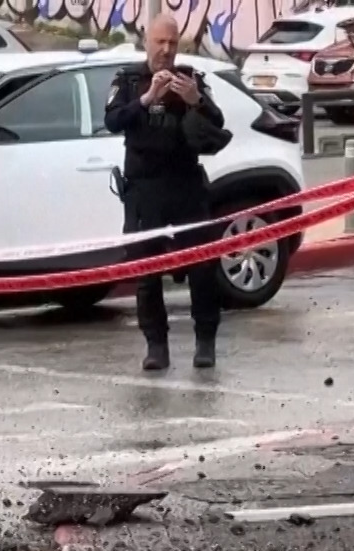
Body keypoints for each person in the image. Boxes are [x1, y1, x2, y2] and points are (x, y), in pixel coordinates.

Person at [104, 14, 233, 372]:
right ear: (147, 40)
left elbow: (217, 122)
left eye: (173, 44)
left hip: (186, 184)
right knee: (147, 272)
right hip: (144, 189)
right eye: (160, 43)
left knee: (202, 267)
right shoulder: (128, 80)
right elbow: (112, 121)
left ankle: (205, 342)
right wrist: (147, 99)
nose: (166, 50)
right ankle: (156, 346)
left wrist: (195, 100)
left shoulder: (190, 78)